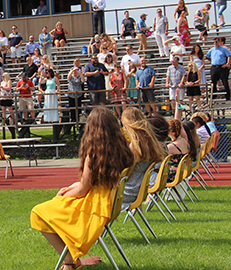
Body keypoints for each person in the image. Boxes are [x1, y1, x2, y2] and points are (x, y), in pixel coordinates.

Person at [31, 107, 133, 270]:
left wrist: (63, 195)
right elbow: (93, 183)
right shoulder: (122, 150)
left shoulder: (94, 154)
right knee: (52, 208)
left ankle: (70, 260)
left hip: (93, 206)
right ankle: (72, 259)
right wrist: (71, 187)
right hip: (107, 204)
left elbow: (83, 189)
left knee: (37, 212)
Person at [120, 107, 166, 210]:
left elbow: (126, 174)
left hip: (127, 192)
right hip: (141, 189)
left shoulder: (135, 147)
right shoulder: (152, 143)